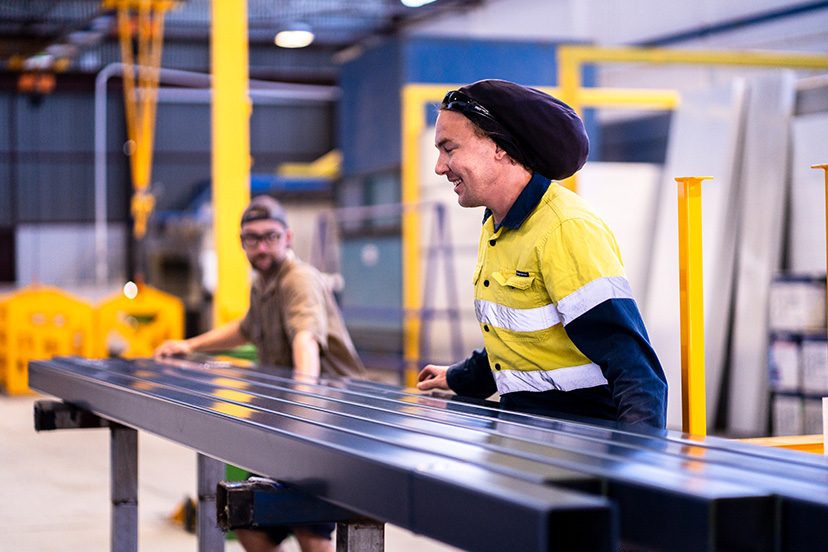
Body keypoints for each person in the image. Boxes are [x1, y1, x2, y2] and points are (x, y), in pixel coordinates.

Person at [416, 79, 667, 428]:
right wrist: (461, 378)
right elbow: (522, 338)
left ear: (498, 147)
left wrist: (637, 465)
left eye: (449, 148)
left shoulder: (564, 228)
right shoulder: (497, 226)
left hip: (580, 445)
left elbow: (634, 368)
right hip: (526, 435)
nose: (439, 167)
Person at [155, 194, 367, 552]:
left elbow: (305, 340)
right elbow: (246, 328)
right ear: (241, 243)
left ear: (288, 238)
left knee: (310, 531)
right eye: (251, 238)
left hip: (326, 421)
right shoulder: (262, 283)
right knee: (248, 519)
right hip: (288, 423)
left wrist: (304, 402)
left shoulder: (297, 280)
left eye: (270, 236)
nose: (261, 246)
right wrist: (190, 346)